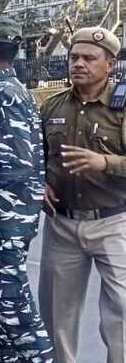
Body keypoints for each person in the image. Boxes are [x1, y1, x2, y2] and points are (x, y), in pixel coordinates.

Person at [39, 27, 126, 363]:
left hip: (113, 221)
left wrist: (105, 162)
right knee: (57, 316)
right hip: (62, 225)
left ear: (109, 64)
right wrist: (39, 182)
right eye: (74, 57)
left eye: (89, 58)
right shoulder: (52, 106)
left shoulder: (121, 107)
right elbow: (36, 156)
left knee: (120, 314)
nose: (78, 64)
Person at [0, 16, 54, 362]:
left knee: (13, 304)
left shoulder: (3, 95)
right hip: (11, 213)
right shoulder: (8, 91)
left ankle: (39, 357)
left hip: (4, 215)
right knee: (0, 301)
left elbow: (9, 167)